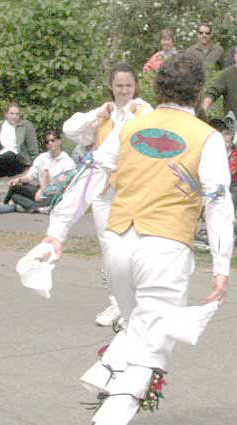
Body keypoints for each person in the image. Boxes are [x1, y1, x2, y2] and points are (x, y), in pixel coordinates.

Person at [39, 52, 234, 425]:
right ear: (199, 92)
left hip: (119, 244)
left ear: (157, 89)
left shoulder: (131, 125)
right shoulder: (207, 137)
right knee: (153, 345)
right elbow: (219, 205)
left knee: (136, 328)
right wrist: (222, 266)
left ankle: (108, 386)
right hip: (164, 247)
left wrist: (57, 233)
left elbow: (89, 173)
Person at [53, 63, 153, 327]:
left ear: (135, 86)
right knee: (108, 248)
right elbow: (70, 130)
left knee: (132, 248)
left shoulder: (144, 110)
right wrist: (98, 113)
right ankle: (116, 302)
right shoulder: (104, 114)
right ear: (111, 86)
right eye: (119, 86)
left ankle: (135, 302)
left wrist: (129, 114)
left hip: (131, 191)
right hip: (103, 192)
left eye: (128, 86)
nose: (124, 91)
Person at [4, 130, 75, 213]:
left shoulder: (68, 162)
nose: (50, 143)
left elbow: (67, 185)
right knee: (14, 188)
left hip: (54, 193)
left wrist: (42, 190)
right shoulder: (42, 157)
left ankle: (28, 206)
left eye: (53, 140)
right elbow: (31, 176)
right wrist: (19, 179)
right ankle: (32, 207)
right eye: (47, 142)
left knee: (58, 199)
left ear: (59, 141)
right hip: (39, 190)